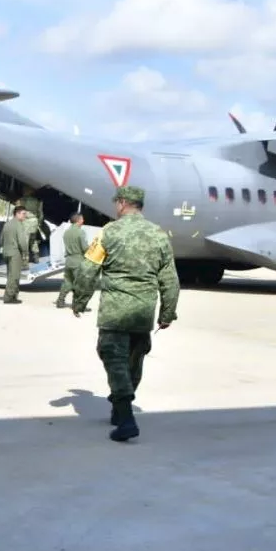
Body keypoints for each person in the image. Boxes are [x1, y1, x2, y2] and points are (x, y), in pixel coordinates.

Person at [71, 186, 180, 442]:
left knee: (113, 359)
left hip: (115, 312)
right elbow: (170, 280)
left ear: (121, 203)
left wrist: (80, 299)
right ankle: (120, 410)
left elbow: (88, 271)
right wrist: (167, 313)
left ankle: (126, 416)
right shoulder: (159, 234)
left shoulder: (109, 232)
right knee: (134, 360)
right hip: (143, 312)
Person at [55, 211, 89, 310]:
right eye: (82, 218)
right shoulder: (80, 232)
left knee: (67, 281)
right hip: (78, 260)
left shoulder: (67, 232)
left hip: (69, 260)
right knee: (80, 284)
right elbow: (85, 248)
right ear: (78, 220)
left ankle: (60, 301)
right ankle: (77, 305)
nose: (83, 220)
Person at [0, 205, 29, 304]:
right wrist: (25, 251)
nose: (25, 216)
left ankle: (13, 295)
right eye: (23, 214)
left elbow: (1, 239)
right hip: (15, 253)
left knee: (10, 275)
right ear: (17, 214)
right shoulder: (18, 224)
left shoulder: (7, 224)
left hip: (6, 252)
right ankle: (8, 297)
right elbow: (22, 241)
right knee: (14, 276)